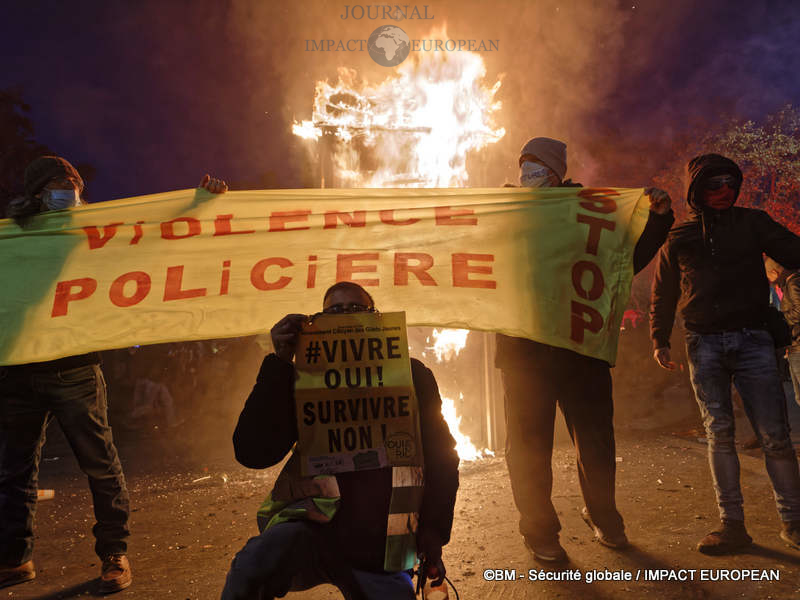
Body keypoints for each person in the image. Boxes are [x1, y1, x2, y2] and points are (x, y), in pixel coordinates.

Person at [0, 156, 228, 592]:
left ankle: (114, 554)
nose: (69, 192)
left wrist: (201, 204)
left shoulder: (94, 235)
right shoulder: (12, 240)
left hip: (74, 369)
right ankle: (14, 559)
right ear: (36, 193)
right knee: (14, 472)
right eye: (58, 184)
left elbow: (155, 236)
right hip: (19, 370)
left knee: (100, 466)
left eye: (73, 185)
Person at [221, 282, 459, 600]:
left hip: (378, 544)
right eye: (335, 311)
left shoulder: (410, 376)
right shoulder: (305, 379)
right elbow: (252, 452)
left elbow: (442, 456)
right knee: (253, 564)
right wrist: (280, 363)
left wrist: (433, 532)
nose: (346, 316)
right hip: (312, 527)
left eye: (356, 309)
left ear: (376, 321)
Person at [496, 137, 674, 562]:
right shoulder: (504, 212)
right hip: (525, 356)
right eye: (525, 165)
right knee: (527, 448)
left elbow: (622, 261)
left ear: (557, 172)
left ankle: (603, 517)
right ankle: (540, 531)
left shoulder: (590, 212)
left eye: (538, 166)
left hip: (581, 352)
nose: (529, 174)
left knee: (595, 443)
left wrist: (658, 221)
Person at [651, 153, 800, 554]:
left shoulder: (753, 223)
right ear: (697, 190)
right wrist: (659, 339)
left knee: (775, 435)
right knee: (719, 435)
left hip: (753, 339)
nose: (725, 191)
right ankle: (732, 526)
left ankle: (794, 523)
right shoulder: (680, 236)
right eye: (714, 184)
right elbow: (664, 292)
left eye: (731, 183)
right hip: (703, 343)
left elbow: (794, 251)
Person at [765, 258, 800, 409]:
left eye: (768, 276)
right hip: (794, 345)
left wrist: (782, 320)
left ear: (774, 272)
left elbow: (799, 311)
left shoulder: (793, 283)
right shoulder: (789, 284)